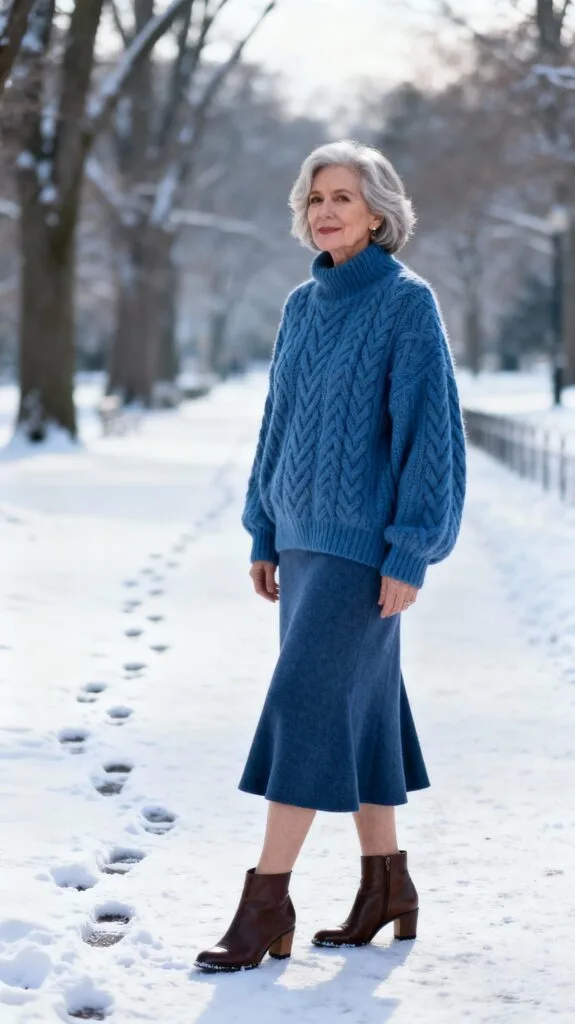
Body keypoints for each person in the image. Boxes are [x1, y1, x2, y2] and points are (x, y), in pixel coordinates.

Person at [195, 140, 467, 973]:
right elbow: (277, 424)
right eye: (315, 197)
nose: (325, 210)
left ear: (378, 211)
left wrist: (410, 551)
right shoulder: (300, 306)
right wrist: (261, 528)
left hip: (361, 556)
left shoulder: (404, 304)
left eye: (343, 197)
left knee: (305, 710)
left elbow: (432, 439)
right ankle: (386, 884)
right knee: (360, 713)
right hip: (300, 545)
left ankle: (264, 901)